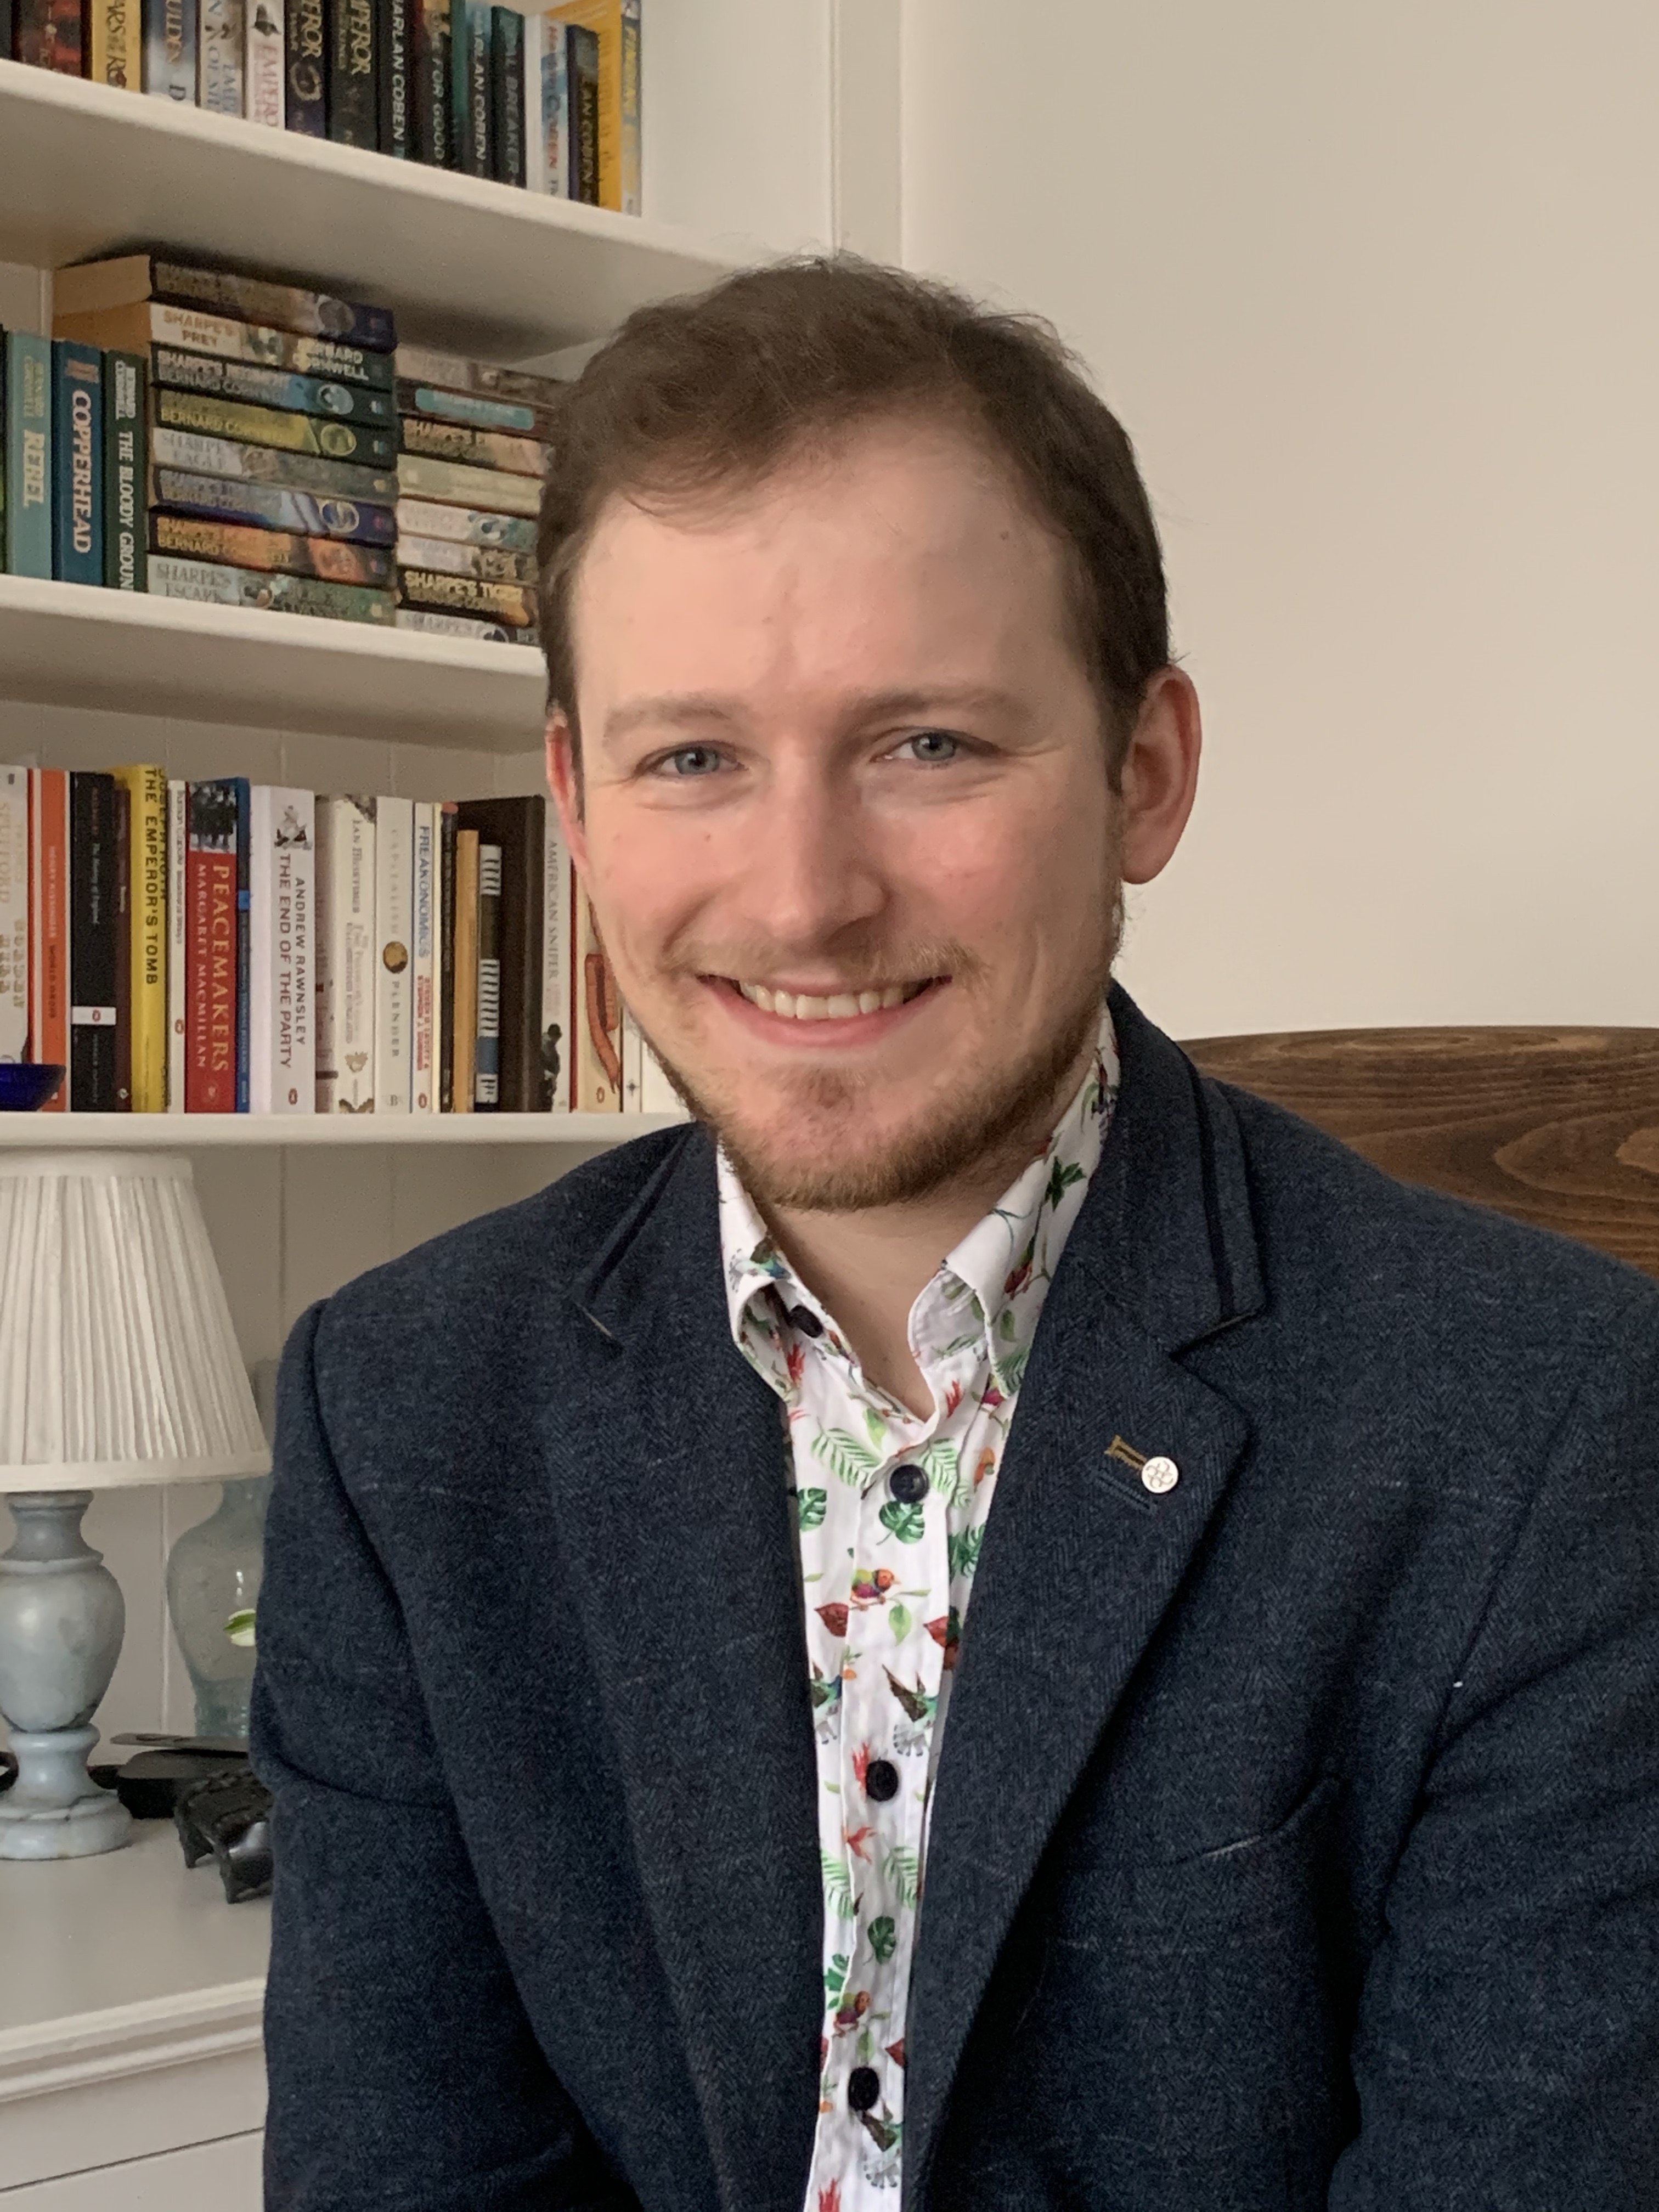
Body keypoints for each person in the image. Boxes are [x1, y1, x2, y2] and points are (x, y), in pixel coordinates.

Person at [252, 259, 1659, 2212]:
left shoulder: (1550, 1426)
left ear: (1145, 775)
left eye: (925, 744)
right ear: (571, 798)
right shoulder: (399, 1410)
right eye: (692, 757)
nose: (803, 900)